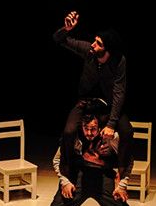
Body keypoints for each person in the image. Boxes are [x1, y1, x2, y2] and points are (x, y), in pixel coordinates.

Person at [53, 11, 133, 182]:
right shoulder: (89, 51)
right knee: (68, 132)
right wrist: (66, 29)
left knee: (127, 131)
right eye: (95, 41)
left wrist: (111, 124)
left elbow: (119, 92)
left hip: (108, 105)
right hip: (85, 102)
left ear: (107, 50)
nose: (93, 44)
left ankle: (121, 175)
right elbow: (58, 39)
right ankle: (67, 176)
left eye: (98, 43)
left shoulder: (119, 61)